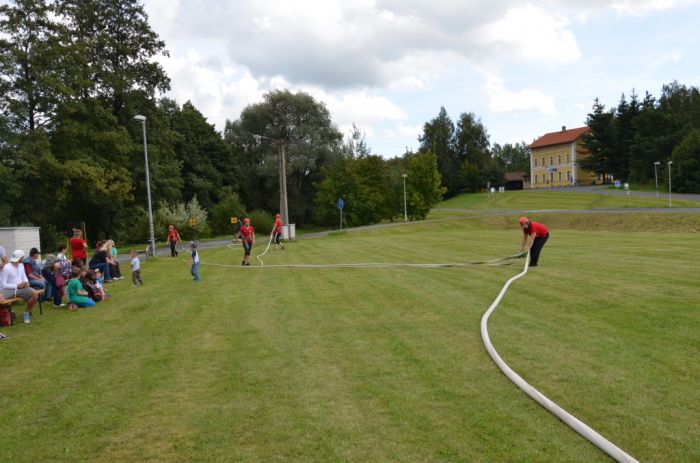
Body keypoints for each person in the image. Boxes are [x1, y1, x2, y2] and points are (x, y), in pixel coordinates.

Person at [0, 250, 39, 323]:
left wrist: (27, 283)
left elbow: (24, 276)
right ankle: (8, 315)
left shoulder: (21, 265)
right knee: (1, 299)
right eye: (22, 257)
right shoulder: (6, 268)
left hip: (22, 288)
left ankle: (26, 313)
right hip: (9, 290)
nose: (23, 258)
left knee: (35, 294)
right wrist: (17, 286)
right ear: (20, 258)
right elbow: (3, 284)